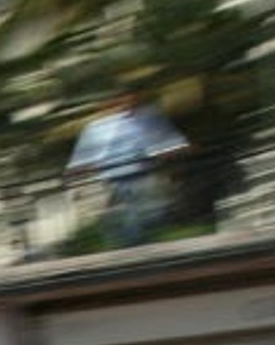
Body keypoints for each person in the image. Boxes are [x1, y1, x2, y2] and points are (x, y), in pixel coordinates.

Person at [66, 92, 188, 247]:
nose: (122, 105)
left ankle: (144, 245)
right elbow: (81, 162)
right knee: (128, 224)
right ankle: (136, 246)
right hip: (115, 180)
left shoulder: (148, 118)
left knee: (146, 219)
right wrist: (79, 180)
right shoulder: (96, 127)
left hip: (142, 176)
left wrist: (164, 153)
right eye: (117, 101)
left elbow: (171, 146)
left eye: (127, 99)